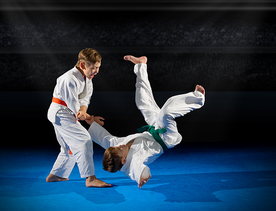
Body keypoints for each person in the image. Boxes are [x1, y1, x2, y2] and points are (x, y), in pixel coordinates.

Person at [86, 55, 205, 188]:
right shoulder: (132, 163)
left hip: (154, 127)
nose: (119, 145)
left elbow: (104, 139)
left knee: (142, 103)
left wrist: (92, 123)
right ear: (124, 160)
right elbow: (136, 170)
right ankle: (198, 98)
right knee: (165, 114)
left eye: (115, 147)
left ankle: (140, 65)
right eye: (119, 149)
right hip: (166, 138)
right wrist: (142, 176)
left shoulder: (118, 146)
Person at [46, 48, 111, 187]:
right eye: (93, 68)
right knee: (83, 139)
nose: (96, 71)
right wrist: (91, 118)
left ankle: (57, 175)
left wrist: (85, 114)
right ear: (83, 65)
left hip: (66, 113)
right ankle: (90, 178)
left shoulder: (88, 79)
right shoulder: (68, 79)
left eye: (98, 67)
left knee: (69, 147)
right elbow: (75, 107)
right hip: (61, 113)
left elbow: (84, 102)